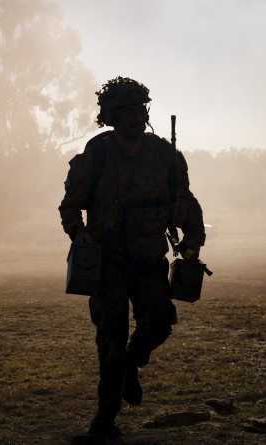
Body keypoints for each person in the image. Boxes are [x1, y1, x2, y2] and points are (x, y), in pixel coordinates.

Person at [58, 76, 206, 438]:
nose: (134, 116)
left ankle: (131, 364)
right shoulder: (97, 153)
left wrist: (193, 240)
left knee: (158, 324)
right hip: (106, 260)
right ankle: (105, 420)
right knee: (110, 339)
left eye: (139, 108)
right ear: (111, 115)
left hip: (148, 257)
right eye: (126, 110)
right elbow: (70, 206)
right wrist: (79, 236)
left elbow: (185, 202)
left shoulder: (165, 155)